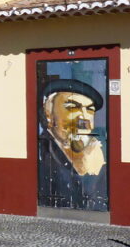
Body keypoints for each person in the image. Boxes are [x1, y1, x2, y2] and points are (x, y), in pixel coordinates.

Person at [37, 78, 108, 211]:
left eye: (90, 110)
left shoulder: (100, 154)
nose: (84, 118)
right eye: (72, 107)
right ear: (49, 115)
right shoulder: (40, 153)